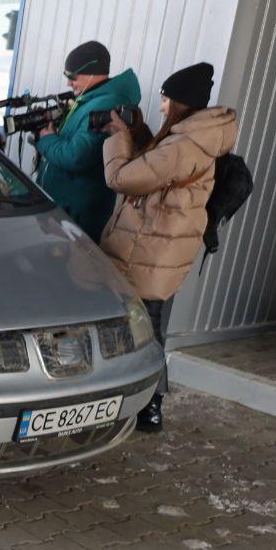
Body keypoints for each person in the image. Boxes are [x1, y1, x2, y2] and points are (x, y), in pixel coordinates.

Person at [99, 62, 237, 433]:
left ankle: (151, 406)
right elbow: (156, 168)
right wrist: (141, 132)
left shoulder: (184, 144)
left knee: (149, 330)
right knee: (146, 326)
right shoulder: (190, 138)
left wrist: (116, 134)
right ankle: (141, 402)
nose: (161, 106)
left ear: (180, 102)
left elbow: (121, 177)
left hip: (153, 254)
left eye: (165, 99)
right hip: (159, 250)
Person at [36, 40, 141, 242]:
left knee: (70, 271)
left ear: (92, 72)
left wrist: (47, 141)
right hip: (65, 210)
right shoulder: (91, 99)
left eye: (72, 76)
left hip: (77, 215)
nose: (68, 83)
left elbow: (77, 157)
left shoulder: (105, 103)